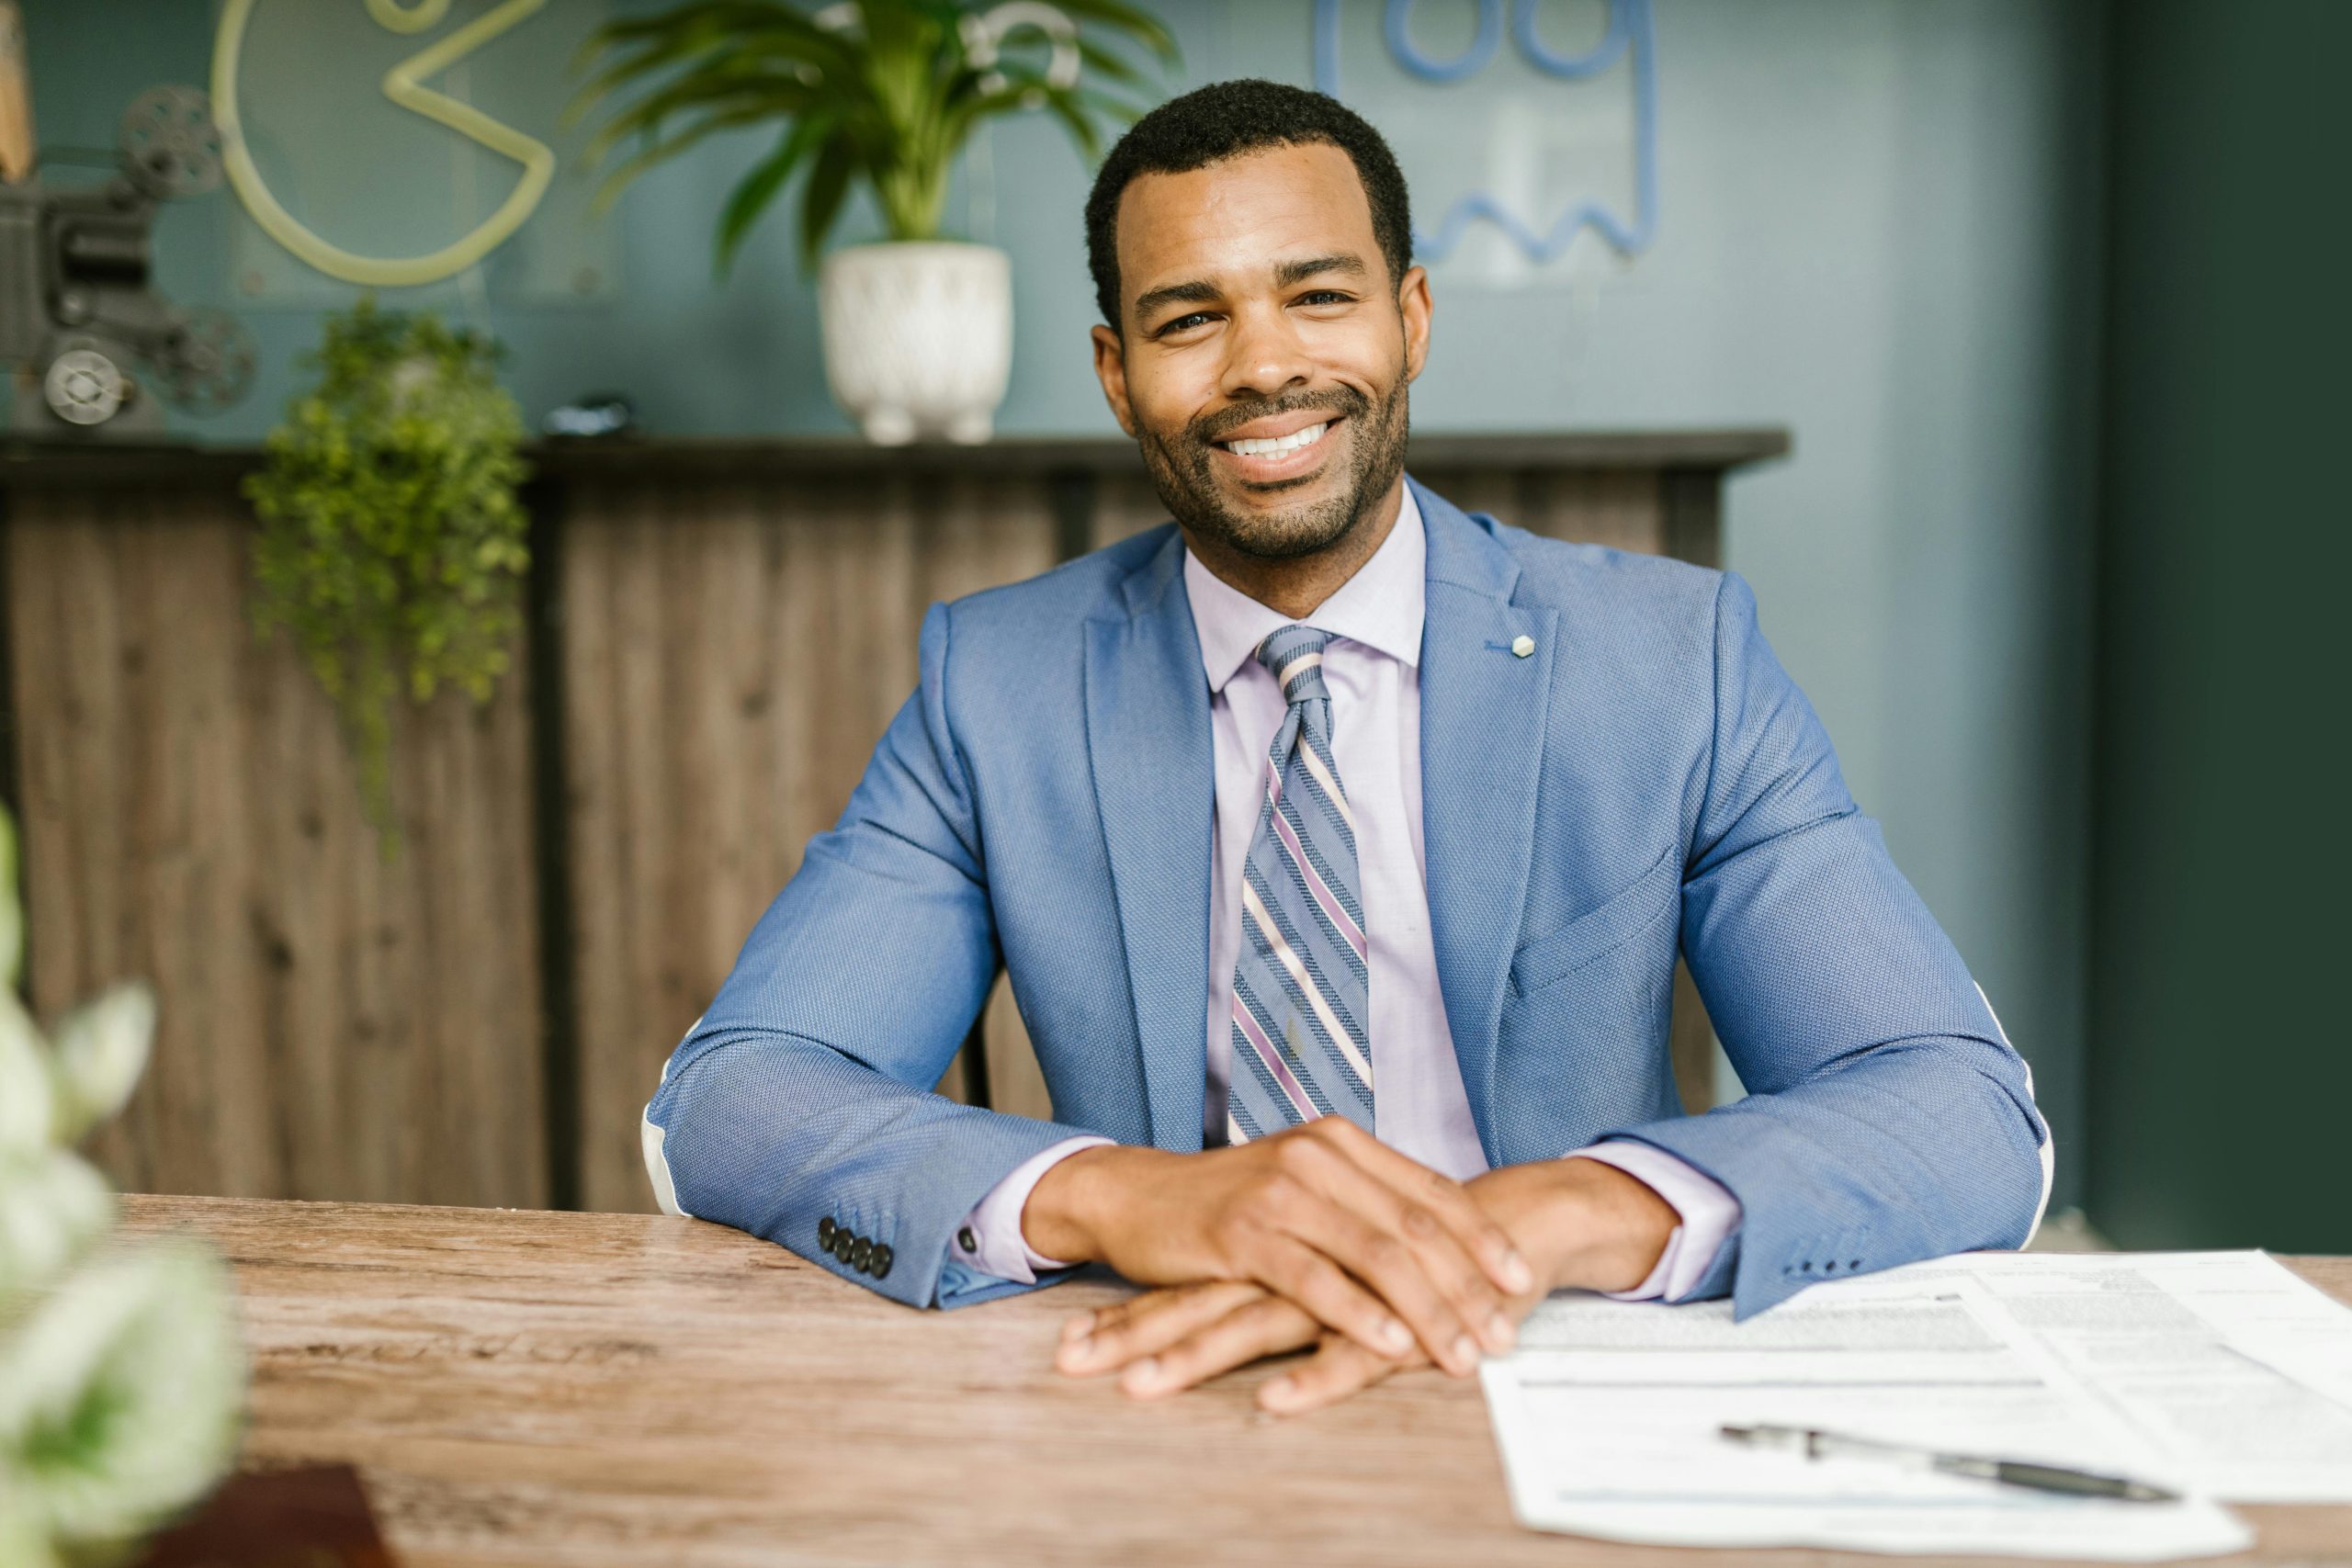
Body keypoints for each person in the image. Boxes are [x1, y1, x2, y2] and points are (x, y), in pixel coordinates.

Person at [640, 78, 2052, 1416]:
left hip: (1560, 1361)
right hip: (1154, 1371)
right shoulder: (994, 685)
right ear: (1117, 374)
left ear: (1413, 316)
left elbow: (1962, 1113)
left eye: (1318, 296)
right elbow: (728, 1098)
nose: (1267, 367)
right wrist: (1136, 1196)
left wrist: (1540, 1216)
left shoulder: (1675, 660)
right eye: (1189, 319)